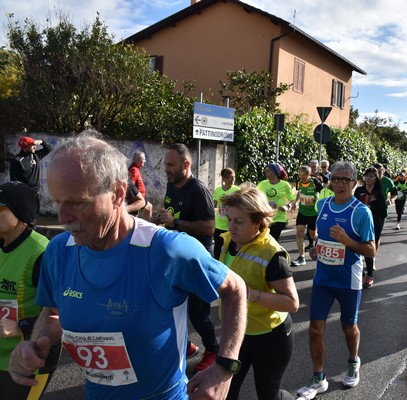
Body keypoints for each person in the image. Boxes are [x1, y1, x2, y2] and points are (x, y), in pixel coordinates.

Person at [8, 130, 247, 399]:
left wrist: (225, 367)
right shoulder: (58, 251)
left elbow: (235, 288)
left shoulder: (167, 250)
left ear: (118, 194)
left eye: (77, 203)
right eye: (57, 201)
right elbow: (52, 313)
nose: (63, 217)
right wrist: (35, 345)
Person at [296, 161, 376, 399]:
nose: (340, 184)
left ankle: (353, 361)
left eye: (345, 180)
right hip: (323, 278)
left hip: (348, 280)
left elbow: (371, 250)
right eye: (336, 179)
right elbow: (320, 236)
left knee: (348, 327)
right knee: (314, 329)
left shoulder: (361, 212)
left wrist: (347, 241)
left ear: (354, 183)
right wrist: (316, 248)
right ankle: (318, 378)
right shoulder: (323, 204)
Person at [219, 188, 299, 400]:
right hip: (237, 332)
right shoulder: (227, 241)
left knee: (268, 396)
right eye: (229, 219)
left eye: (239, 221)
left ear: (258, 222)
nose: (231, 226)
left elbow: (292, 302)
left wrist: (249, 294)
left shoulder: (272, 254)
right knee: (226, 393)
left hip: (271, 337)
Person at [154, 143, 221, 372]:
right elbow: (172, 215)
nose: (167, 169)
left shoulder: (198, 190)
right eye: (165, 164)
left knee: (198, 314)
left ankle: (214, 350)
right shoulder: (172, 186)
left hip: (198, 260)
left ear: (186, 164)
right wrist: (161, 218)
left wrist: (176, 223)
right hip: (176, 258)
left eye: (171, 165)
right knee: (170, 304)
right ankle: (186, 346)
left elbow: (210, 227)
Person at [0, 182, 61, 399]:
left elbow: (62, 313)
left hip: (31, 357)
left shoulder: (41, 252)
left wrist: (19, 326)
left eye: (0, 207)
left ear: (20, 212)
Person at [354, 166, 386, 288]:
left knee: (368, 247)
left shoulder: (378, 193)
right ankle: (360, 270)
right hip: (359, 223)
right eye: (367, 175)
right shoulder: (359, 191)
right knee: (356, 245)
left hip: (374, 224)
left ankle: (370, 275)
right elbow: (354, 205)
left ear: (376, 179)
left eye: (371, 176)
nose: (368, 178)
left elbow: (384, 211)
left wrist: (370, 210)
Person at [290, 165, 323, 267]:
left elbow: (320, 192)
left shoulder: (315, 182)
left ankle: (324, 245)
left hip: (313, 213)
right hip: (302, 212)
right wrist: (295, 202)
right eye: (300, 175)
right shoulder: (299, 182)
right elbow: (299, 192)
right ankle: (302, 257)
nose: (301, 177)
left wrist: (313, 199)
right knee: (299, 233)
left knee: (313, 236)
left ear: (309, 175)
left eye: (304, 175)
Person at [257, 163, 295, 242]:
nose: (266, 173)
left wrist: (287, 206)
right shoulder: (262, 184)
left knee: (273, 241)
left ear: (275, 173)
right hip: (265, 217)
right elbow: (256, 197)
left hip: (279, 218)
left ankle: (274, 254)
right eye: (266, 171)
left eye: (268, 171)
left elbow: (293, 199)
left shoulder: (284, 185)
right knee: (263, 240)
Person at [9, 136, 52, 204]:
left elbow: (49, 149)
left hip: (36, 193)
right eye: (33, 145)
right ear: (25, 146)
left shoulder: (36, 155)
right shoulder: (16, 160)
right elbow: (14, 180)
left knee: (34, 214)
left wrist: (42, 142)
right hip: (24, 194)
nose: (35, 147)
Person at [213, 168, 240, 260]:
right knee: (217, 248)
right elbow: (214, 205)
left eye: (234, 177)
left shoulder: (237, 190)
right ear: (224, 178)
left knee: (232, 249)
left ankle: (230, 266)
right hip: (219, 224)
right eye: (230, 177)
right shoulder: (218, 190)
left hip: (232, 224)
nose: (233, 179)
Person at [128, 150, 153, 220]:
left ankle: (146, 225)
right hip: (136, 199)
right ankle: (147, 226)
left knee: (149, 207)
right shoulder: (134, 170)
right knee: (149, 207)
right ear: (138, 160)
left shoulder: (135, 168)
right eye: (144, 159)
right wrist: (135, 197)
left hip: (139, 197)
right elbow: (130, 185)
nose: (145, 161)